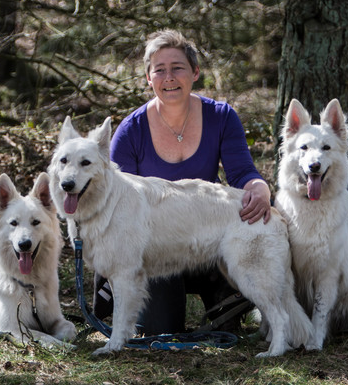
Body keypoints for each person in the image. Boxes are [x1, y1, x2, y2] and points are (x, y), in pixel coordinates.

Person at [93, 29, 271, 336]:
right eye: (159, 70)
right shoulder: (130, 131)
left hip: (208, 237)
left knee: (265, 217)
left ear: (195, 73)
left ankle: (240, 301)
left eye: (177, 68)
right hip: (155, 248)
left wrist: (260, 188)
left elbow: (242, 174)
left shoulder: (221, 117)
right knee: (161, 328)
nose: (169, 77)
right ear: (149, 79)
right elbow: (115, 200)